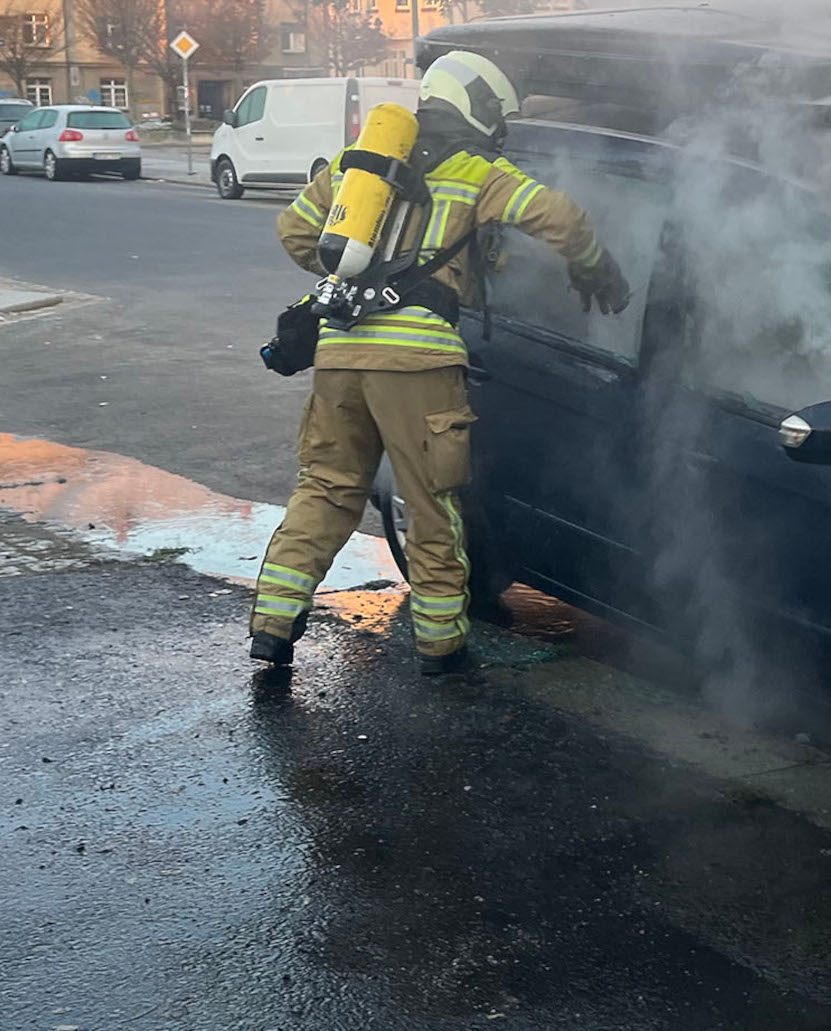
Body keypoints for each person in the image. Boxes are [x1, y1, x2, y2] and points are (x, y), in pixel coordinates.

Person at [248, 50, 633, 675]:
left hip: (341, 352)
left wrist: (361, 275)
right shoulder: (479, 170)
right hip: (418, 361)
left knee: (326, 487)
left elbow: (295, 231)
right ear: (479, 105)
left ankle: (271, 624)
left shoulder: (360, 166)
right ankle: (442, 645)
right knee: (433, 502)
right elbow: (562, 217)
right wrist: (597, 269)